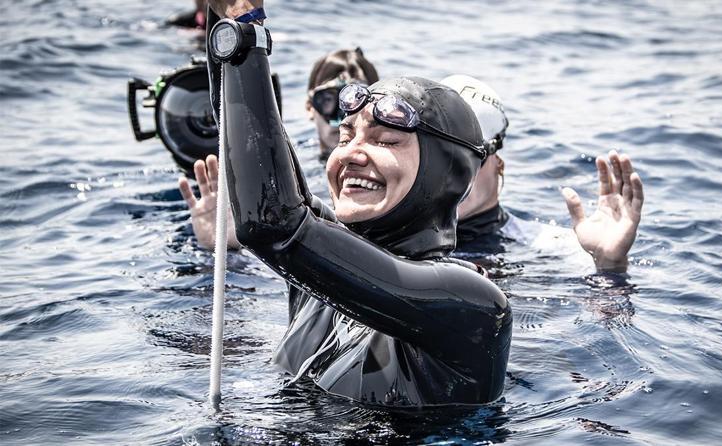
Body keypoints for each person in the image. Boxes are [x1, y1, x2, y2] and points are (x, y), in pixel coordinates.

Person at [204, 3, 511, 406]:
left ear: (443, 172)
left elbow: (272, 221)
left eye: (384, 140)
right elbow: (247, 144)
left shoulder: (472, 305)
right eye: (345, 136)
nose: (350, 154)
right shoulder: (318, 271)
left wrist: (246, 28)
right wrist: (223, 16)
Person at [179, 48, 378, 250]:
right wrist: (227, 247)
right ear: (310, 106)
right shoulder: (282, 170)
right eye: (328, 100)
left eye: (355, 103)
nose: (341, 118)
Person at [442, 75, 643, 273]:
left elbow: (605, 303)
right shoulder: (410, 240)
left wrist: (609, 265)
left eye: (472, 157)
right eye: (441, 156)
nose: (454, 174)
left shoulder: (555, 247)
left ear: (498, 164)